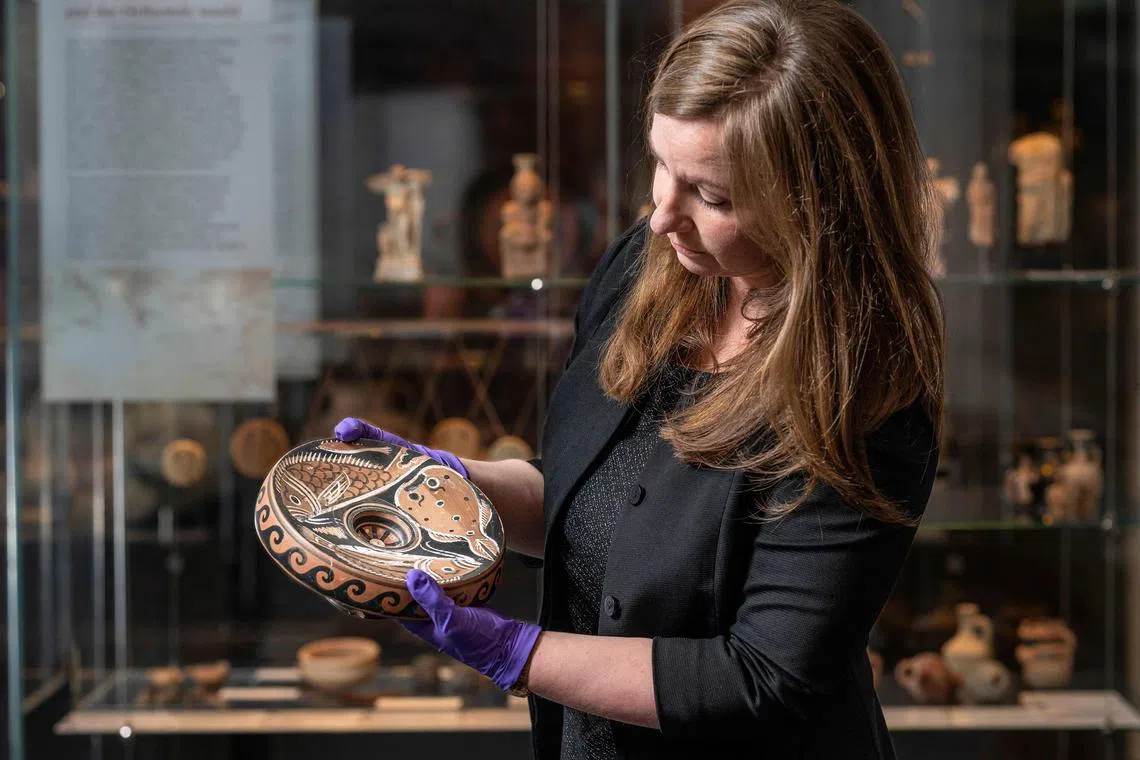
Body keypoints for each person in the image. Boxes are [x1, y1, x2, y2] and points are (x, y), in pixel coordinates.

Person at [335, 0, 944, 756]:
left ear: (815, 203)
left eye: (711, 195)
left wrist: (516, 653)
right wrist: (457, 484)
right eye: (662, 163)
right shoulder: (645, 268)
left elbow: (762, 677)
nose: (662, 214)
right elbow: (592, 499)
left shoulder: (865, 382)